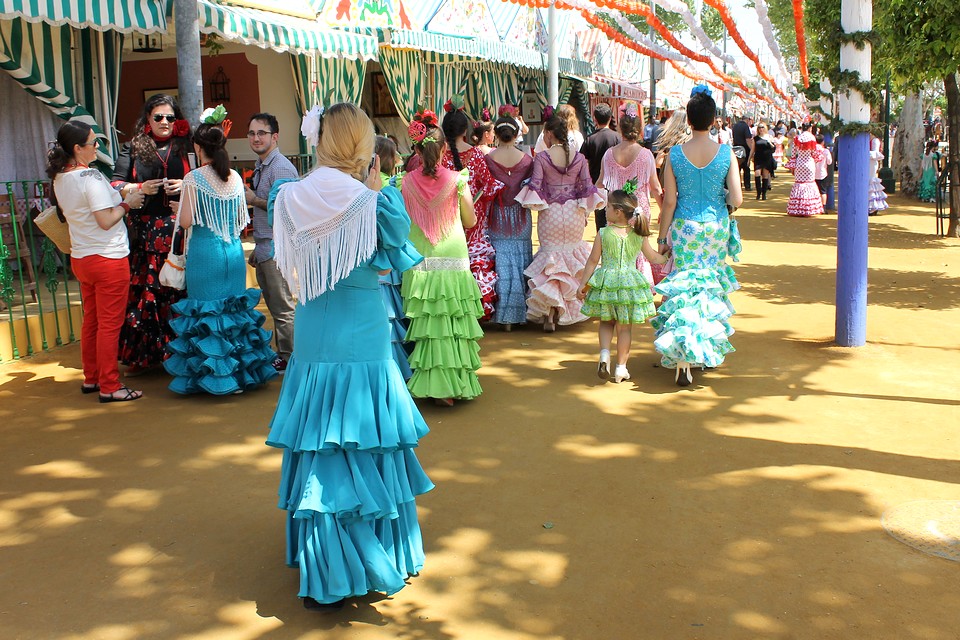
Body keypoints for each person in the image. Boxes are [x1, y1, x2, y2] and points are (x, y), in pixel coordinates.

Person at [265, 102, 432, 609]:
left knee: (319, 437)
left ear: (318, 141)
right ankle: (376, 546)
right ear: (362, 145)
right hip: (363, 333)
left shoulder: (287, 195)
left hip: (314, 334)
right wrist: (375, 188)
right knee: (368, 438)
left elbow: (284, 260)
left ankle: (326, 558)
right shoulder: (375, 201)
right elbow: (398, 250)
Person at [162, 107, 278, 395]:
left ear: (198, 148)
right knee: (232, 314)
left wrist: (179, 211)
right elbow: (241, 218)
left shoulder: (194, 178)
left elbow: (187, 221)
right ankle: (239, 376)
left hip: (205, 254)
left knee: (208, 314)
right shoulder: (236, 178)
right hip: (232, 251)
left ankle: (218, 378)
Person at [652, 85, 743, 387]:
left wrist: (663, 236)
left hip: (685, 226)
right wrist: (720, 196)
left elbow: (669, 201)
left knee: (686, 287)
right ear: (714, 120)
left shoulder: (675, 154)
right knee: (708, 289)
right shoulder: (726, 153)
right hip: (716, 226)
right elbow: (738, 199)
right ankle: (704, 349)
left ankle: (682, 353)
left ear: (688, 120)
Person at [49, 121, 145, 402]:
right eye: (93, 143)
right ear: (77, 148)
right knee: (108, 325)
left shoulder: (61, 177)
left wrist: (124, 196)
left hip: (83, 257)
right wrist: (128, 204)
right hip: (108, 257)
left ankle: (93, 378)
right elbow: (106, 220)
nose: (97, 147)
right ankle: (109, 385)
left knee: (92, 321)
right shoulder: (89, 177)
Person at [400, 109, 483, 406]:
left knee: (429, 324)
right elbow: (471, 220)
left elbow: (401, 219)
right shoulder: (457, 179)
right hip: (452, 251)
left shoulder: (404, 183)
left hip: (421, 256)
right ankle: (455, 384)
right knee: (453, 321)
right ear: (445, 148)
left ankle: (436, 386)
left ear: (417, 150)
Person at [111, 94, 191, 376]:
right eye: (158, 117)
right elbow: (116, 183)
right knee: (146, 292)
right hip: (144, 233)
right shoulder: (132, 148)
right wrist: (139, 187)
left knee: (177, 289)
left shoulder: (186, 146)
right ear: (148, 119)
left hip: (178, 231)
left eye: (170, 117)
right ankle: (147, 356)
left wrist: (186, 183)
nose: (165, 122)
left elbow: (207, 175)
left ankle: (180, 353)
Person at [516, 110, 604, 331]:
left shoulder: (542, 158)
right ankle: (567, 306)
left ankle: (550, 313)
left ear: (548, 134)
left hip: (550, 213)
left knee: (551, 260)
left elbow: (535, 185)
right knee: (571, 257)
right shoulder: (579, 158)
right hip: (574, 212)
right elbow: (586, 187)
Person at [577, 185, 668, 384]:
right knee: (624, 329)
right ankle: (621, 368)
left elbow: (592, 261)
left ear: (617, 212)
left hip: (606, 282)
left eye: (608, 206)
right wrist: (667, 255)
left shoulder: (603, 233)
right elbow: (653, 257)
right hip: (629, 285)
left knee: (606, 322)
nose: (605, 209)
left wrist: (583, 285)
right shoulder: (638, 235)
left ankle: (603, 356)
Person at [243, 112, 299, 374]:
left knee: (283, 307)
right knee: (276, 306)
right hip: (267, 245)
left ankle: (291, 358)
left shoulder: (281, 168)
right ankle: (285, 354)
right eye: (252, 133)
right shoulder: (263, 164)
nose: (256, 138)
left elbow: (289, 209)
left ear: (275, 137)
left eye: (261, 133)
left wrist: (254, 200)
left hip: (279, 246)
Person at [441, 96, 504, 321]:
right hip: (473, 215)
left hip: (445, 217)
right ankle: (476, 308)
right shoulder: (476, 154)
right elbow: (488, 186)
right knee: (474, 259)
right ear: (465, 129)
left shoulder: (439, 155)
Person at [596, 101, 663, 285]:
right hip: (638, 208)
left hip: (616, 208)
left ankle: (617, 291)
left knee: (617, 251)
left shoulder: (609, 154)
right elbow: (656, 187)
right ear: (639, 129)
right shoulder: (645, 155)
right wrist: (664, 209)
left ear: (621, 131)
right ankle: (639, 289)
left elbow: (600, 183)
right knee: (639, 250)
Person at [485, 115, 535, 331]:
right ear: (517, 134)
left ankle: (502, 312)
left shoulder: (488, 159)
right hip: (520, 216)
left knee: (501, 262)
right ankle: (518, 312)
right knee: (520, 260)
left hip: (497, 216)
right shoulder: (527, 160)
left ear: (496, 134)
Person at [375, 135, 414, 379]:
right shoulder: (391, 187)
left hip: (373, 262)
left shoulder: (362, 184)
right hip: (389, 258)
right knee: (393, 311)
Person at [580, 102, 621, 230]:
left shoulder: (590, 139)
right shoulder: (617, 138)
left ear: (595, 119)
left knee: (600, 222)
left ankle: (602, 246)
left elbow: (582, 162)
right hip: (615, 184)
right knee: (616, 219)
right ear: (610, 117)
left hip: (597, 184)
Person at [785, 129, 824, 217]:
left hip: (800, 163)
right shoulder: (812, 138)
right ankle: (808, 208)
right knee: (809, 184)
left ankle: (797, 208)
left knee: (799, 184)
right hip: (809, 164)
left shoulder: (797, 139)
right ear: (810, 129)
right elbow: (814, 153)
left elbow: (793, 154)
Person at [752, 122, 776, 200]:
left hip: (767, 158)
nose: (761, 129)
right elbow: (752, 150)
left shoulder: (769, 137)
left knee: (765, 176)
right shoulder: (755, 138)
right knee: (757, 174)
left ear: (765, 128)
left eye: (762, 127)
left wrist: (769, 142)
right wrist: (749, 159)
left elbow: (773, 148)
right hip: (758, 158)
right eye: (759, 127)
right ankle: (758, 193)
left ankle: (764, 194)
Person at [731, 114, 754, 189]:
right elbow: (748, 139)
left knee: (737, 168)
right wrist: (752, 149)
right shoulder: (745, 127)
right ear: (747, 120)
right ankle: (747, 185)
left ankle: (738, 185)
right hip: (744, 148)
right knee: (746, 167)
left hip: (736, 148)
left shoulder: (735, 126)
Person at [868, 133, 889, 215]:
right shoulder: (867, 140)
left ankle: (872, 207)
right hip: (866, 162)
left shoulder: (875, 140)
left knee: (871, 182)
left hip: (872, 162)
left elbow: (875, 153)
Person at [813, 134, 834, 208]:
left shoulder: (812, 150)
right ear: (823, 142)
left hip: (813, 173)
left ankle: (814, 206)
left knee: (814, 191)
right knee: (823, 191)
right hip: (822, 173)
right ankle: (823, 207)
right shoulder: (825, 151)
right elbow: (829, 162)